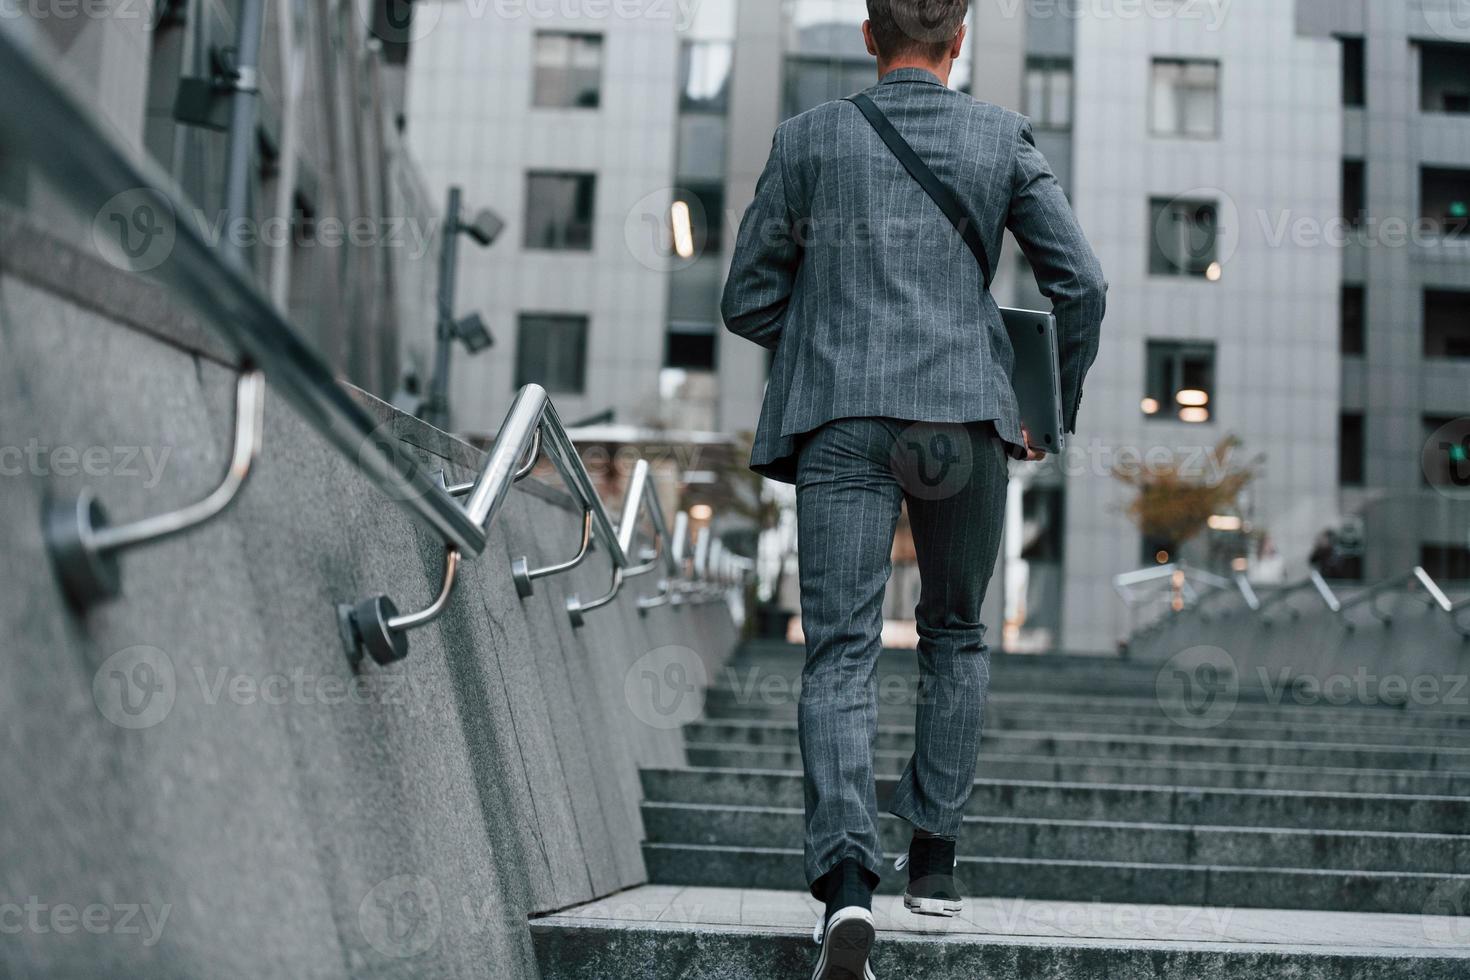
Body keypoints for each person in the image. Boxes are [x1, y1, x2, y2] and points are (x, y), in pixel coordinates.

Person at [720, 2, 1107, 977]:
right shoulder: (999, 136)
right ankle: (932, 856)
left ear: (868, 35)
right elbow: (1084, 284)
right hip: (962, 421)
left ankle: (848, 884)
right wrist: (1042, 408)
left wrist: (833, 337)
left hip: (843, 417)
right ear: (958, 39)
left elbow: (746, 297)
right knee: (954, 629)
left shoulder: (807, 141)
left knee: (841, 646)